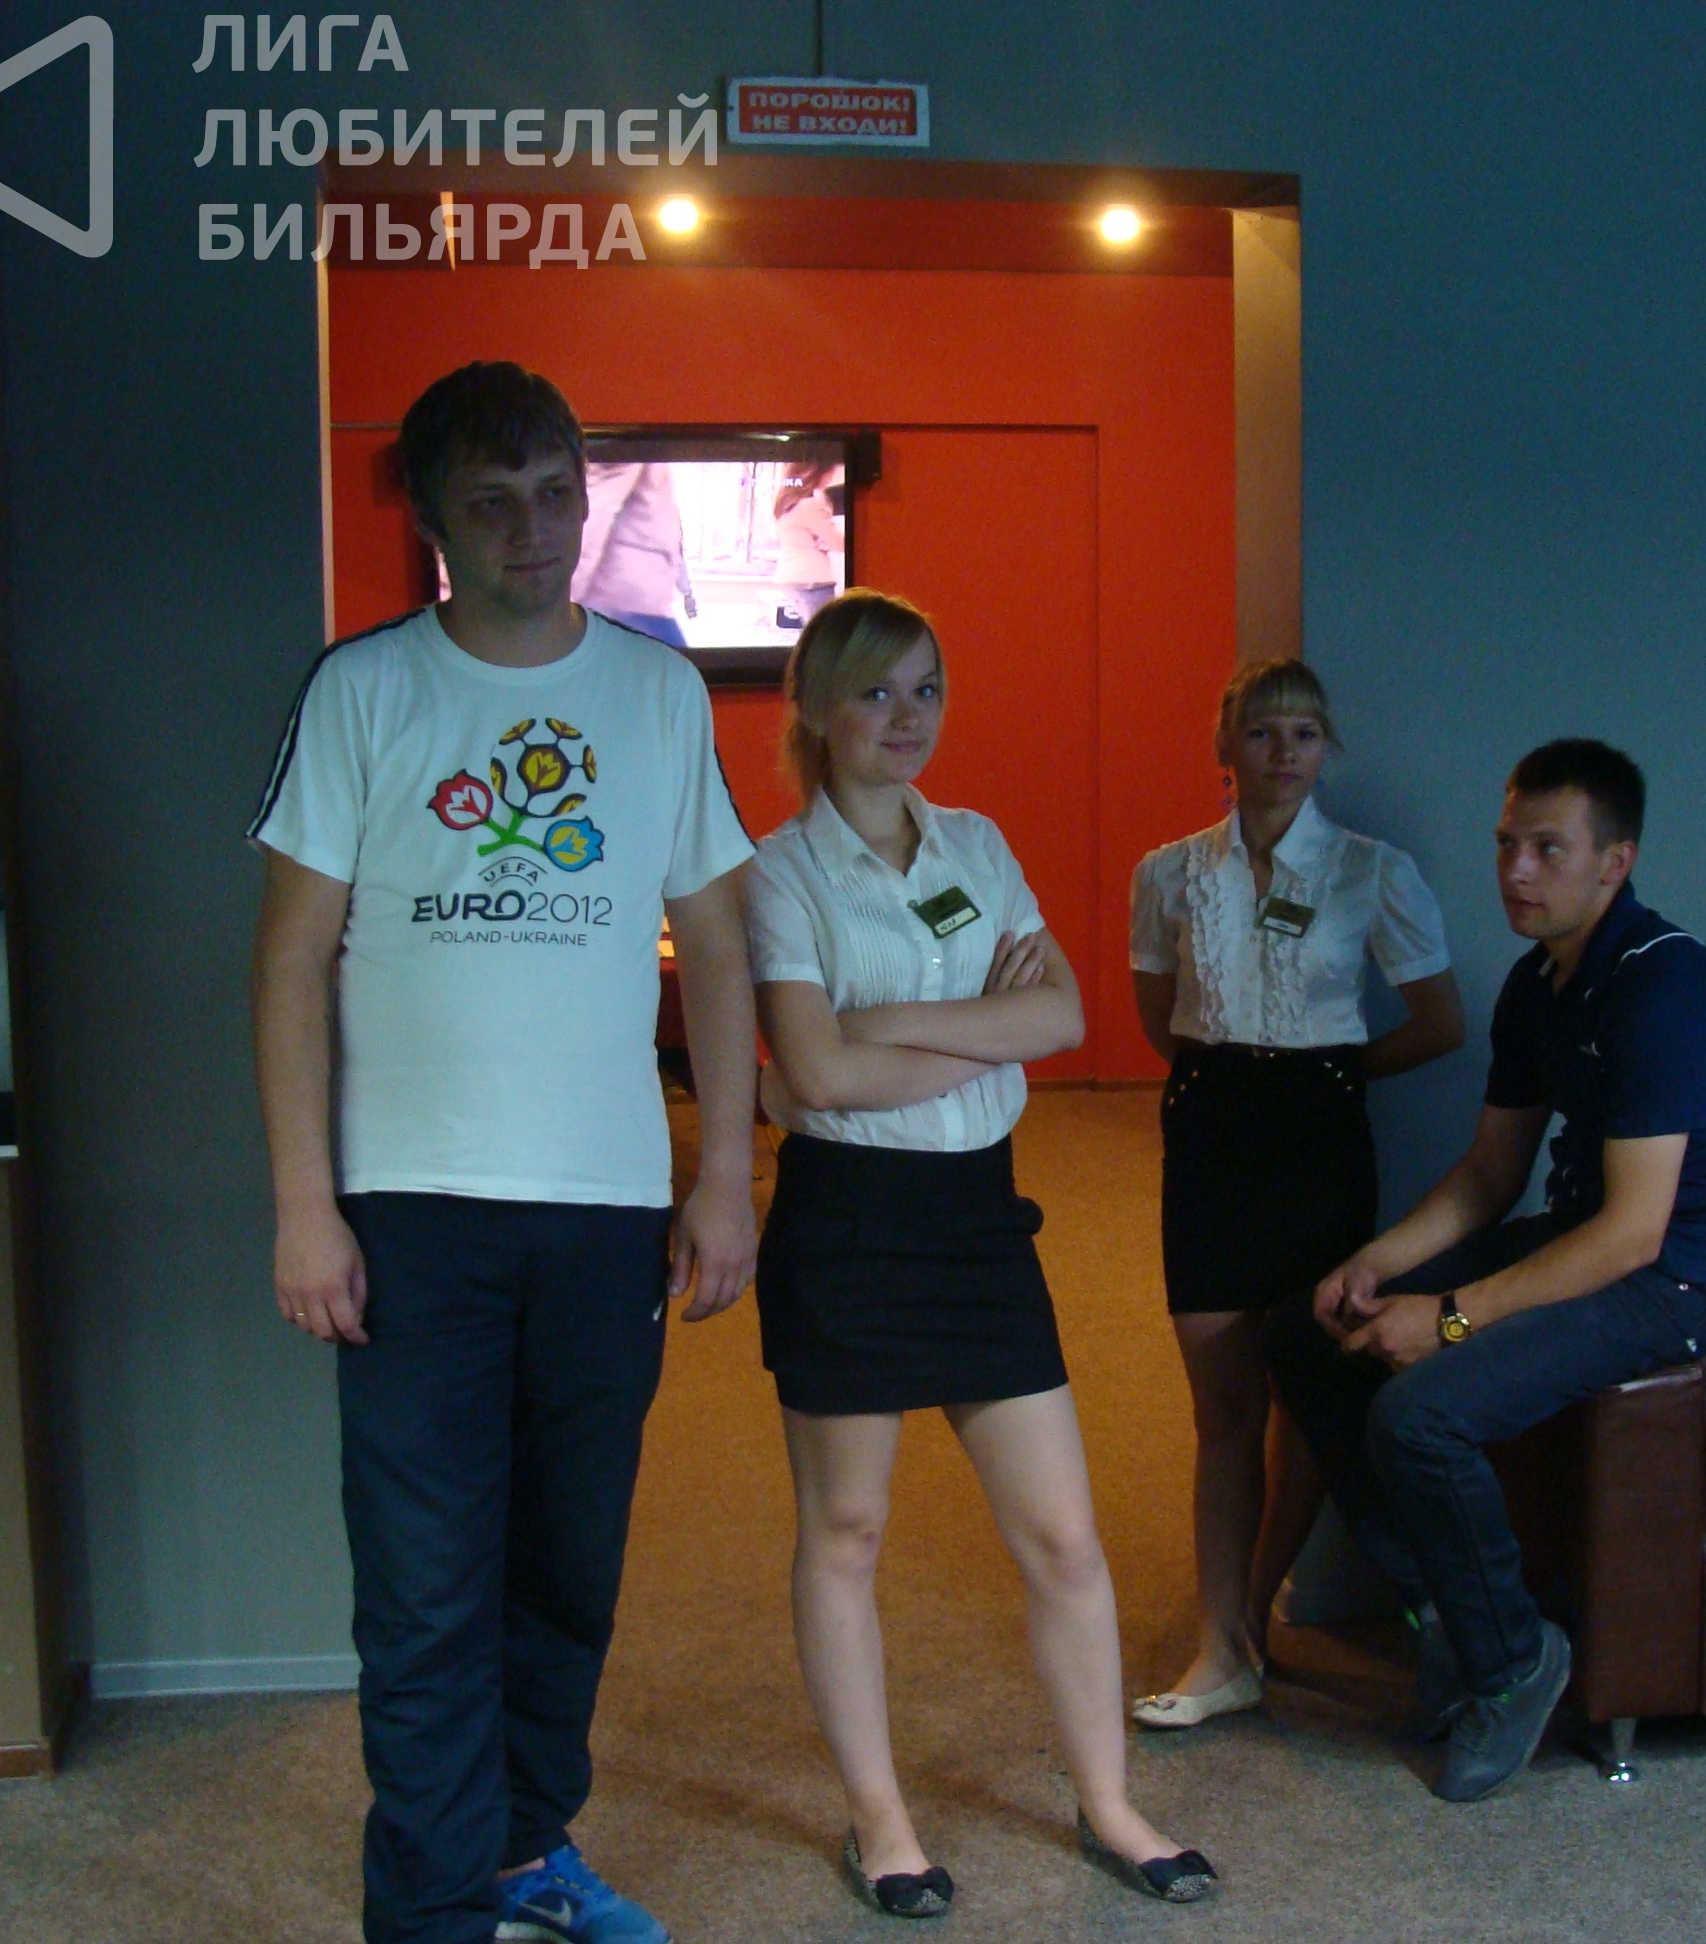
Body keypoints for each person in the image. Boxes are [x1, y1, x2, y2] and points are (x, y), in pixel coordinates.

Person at [249, 361, 758, 1944]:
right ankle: (430, 1913)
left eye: (555, 493)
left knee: (567, 1566)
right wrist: (304, 1207)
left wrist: (725, 1176)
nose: (534, 530)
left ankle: (528, 1845)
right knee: (424, 1584)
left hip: (605, 1210)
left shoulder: (656, 693)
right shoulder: (366, 689)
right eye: (493, 501)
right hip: (409, 1210)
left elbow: (717, 945)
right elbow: (289, 960)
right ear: (431, 517)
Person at [744, 590, 1217, 1916]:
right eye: (876, 692)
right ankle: (880, 1823)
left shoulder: (978, 844)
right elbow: (817, 1075)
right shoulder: (777, 873)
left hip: (976, 1220)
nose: (907, 718)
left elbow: (1060, 1017)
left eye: (927, 691)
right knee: (847, 1529)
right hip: (849, 1224)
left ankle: (1110, 1805)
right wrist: (969, 1029)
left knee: (1062, 1536)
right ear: (817, 708)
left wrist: (879, 1024)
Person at [1263, 738, 1706, 1802]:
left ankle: (1513, 1661)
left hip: (1673, 1281)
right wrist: (1377, 1263)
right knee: (1307, 1339)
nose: (1516, 871)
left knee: (1418, 1416)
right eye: (1507, 845)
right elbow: (1492, 1173)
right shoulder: (1539, 984)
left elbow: (1635, 1235)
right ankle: (1451, 1618)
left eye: (1548, 849)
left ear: (1615, 862)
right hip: (1583, 1240)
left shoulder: (1664, 989)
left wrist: (1448, 1317)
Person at [1125, 659, 1464, 1728]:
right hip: (1211, 1133)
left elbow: (1440, 1021)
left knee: (1309, 1391)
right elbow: (1159, 1019)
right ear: (1225, 746)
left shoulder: (1373, 870)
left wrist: (1331, 1077)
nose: (1284, 752)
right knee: (1223, 1405)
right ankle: (1221, 1641)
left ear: (1327, 749)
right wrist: (1240, 1084)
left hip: (1321, 1139)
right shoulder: (1168, 873)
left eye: (1305, 733)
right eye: (1263, 732)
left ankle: (1250, 1618)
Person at [575, 460, 697, 646]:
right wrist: (564, 596)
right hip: (625, 600)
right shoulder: (630, 451)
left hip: (636, 597)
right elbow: (596, 508)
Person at [770, 463, 842, 630]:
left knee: (813, 632)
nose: (830, 480)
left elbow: (804, 537)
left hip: (792, 576)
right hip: (813, 579)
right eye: (829, 474)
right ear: (814, 475)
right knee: (824, 635)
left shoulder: (785, 505)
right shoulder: (809, 506)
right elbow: (838, 543)